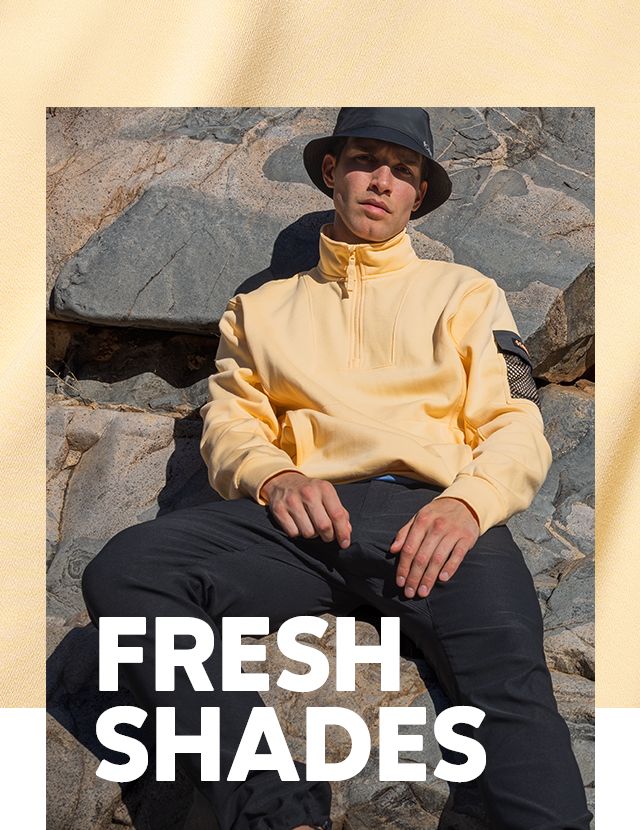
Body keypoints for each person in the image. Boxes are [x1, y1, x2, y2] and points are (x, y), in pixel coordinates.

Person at [82, 108, 593, 830]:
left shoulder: (466, 294)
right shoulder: (257, 310)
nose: (382, 182)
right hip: (305, 527)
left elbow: (515, 422)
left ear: (419, 194)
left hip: (435, 523)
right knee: (126, 570)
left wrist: (470, 505)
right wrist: (273, 476)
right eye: (364, 161)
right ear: (331, 171)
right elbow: (231, 425)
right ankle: (278, 806)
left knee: (514, 698)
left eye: (403, 172)